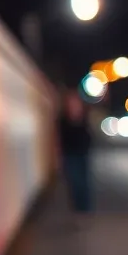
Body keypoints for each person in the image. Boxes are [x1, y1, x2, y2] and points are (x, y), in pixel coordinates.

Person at [57, 86, 93, 217]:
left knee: (83, 182)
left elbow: (88, 136)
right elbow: (60, 138)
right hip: (69, 154)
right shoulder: (63, 120)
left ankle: (84, 209)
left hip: (82, 154)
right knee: (74, 182)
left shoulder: (83, 118)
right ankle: (78, 209)